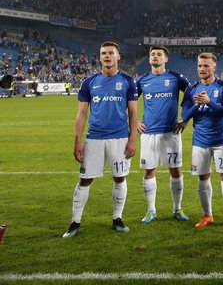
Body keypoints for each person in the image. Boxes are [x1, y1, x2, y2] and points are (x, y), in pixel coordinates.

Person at [62, 42, 138, 238]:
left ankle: (117, 218)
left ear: (118, 57)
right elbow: (81, 114)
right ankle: (75, 222)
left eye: (111, 53)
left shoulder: (128, 81)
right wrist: (77, 141)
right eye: (103, 53)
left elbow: (133, 112)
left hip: (120, 139)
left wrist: (132, 140)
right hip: (94, 138)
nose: (107, 56)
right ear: (100, 57)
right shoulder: (89, 82)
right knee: (85, 179)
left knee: (120, 177)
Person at [180, 53, 223, 230]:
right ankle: (207, 215)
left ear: (214, 67)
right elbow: (184, 116)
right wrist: (197, 105)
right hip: (200, 142)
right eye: (200, 66)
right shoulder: (191, 90)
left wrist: (209, 102)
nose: (202, 69)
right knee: (203, 177)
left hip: (221, 140)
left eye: (206, 65)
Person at [136, 45, 191, 223]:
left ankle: (177, 209)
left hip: (171, 132)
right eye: (152, 54)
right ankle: (151, 210)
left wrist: (186, 119)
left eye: (159, 54)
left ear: (166, 59)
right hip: (149, 132)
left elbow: (191, 96)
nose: (155, 56)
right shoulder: (142, 80)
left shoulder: (176, 78)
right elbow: (128, 102)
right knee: (149, 170)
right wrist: (135, 122)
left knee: (175, 169)